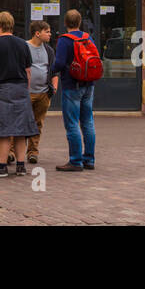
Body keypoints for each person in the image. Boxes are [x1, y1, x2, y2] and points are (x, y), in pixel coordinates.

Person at [0, 11, 37, 179]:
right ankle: (20, 166)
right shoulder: (23, 44)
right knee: (21, 130)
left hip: (2, 89)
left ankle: (1, 166)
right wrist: (26, 90)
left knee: (4, 130)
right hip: (20, 88)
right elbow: (28, 71)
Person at [51, 9, 98, 171]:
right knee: (88, 121)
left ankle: (75, 161)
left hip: (72, 86)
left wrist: (50, 72)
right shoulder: (88, 37)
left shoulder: (64, 40)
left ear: (65, 23)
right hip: (88, 84)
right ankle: (89, 159)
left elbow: (58, 63)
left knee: (72, 123)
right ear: (79, 22)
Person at [25, 20, 58, 165]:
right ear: (37, 33)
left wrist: (54, 87)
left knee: (38, 123)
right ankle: (12, 152)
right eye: (47, 31)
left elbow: (54, 70)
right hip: (26, 93)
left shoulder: (49, 50)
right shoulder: (24, 47)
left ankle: (33, 152)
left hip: (43, 93)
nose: (50, 34)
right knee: (20, 122)